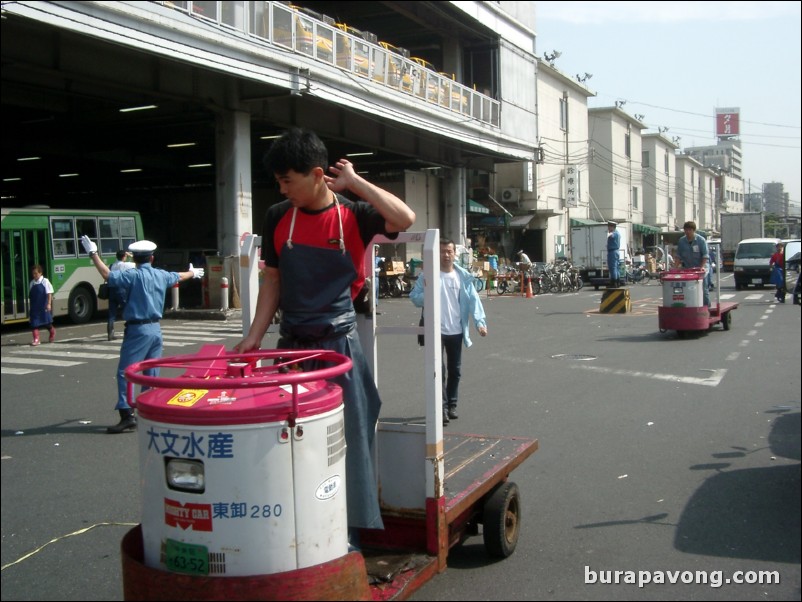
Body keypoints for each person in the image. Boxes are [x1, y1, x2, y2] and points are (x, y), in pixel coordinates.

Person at [232, 128, 415, 533]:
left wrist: (355, 182)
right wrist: (254, 338)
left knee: (346, 442)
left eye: (287, 180)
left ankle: (349, 534)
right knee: (288, 442)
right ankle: (294, 531)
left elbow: (404, 218)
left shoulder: (354, 214)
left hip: (338, 351)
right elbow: (273, 282)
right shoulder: (280, 216)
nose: (282, 189)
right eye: (278, 181)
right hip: (291, 349)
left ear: (317, 174)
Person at [80, 235, 204, 433]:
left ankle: (126, 414)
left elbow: (107, 275)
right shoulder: (161, 275)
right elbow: (179, 276)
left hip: (137, 329)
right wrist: (193, 272)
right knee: (151, 372)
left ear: (134, 259)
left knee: (125, 372)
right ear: (152, 258)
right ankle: (149, 410)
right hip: (156, 329)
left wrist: (93, 253)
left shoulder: (132, 276)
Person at [410, 239, 488, 426]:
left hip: (456, 330)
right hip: (435, 330)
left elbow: (473, 300)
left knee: (455, 370)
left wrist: (480, 323)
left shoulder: (462, 276)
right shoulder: (428, 275)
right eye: (443, 251)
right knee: (439, 371)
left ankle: (452, 404)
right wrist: (428, 294)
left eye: (449, 251)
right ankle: (442, 408)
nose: (446, 255)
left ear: (455, 254)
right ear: (437, 254)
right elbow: (414, 297)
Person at [675, 220, 709, 306]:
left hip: (701, 268)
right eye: (686, 230)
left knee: (703, 289)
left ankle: (706, 308)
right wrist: (675, 267)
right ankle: (690, 307)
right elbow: (678, 256)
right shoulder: (682, 241)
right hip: (688, 269)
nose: (687, 232)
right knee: (687, 289)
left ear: (694, 230)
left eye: (690, 230)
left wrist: (701, 267)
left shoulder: (701, 240)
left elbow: (705, 256)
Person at [107, 250, 135, 340]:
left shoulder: (111, 265)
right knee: (127, 309)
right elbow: (136, 264)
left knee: (112, 312)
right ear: (124, 257)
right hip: (122, 290)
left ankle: (110, 333)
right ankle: (130, 330)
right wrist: (130, 255)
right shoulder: (126, 265)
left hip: (111, 290)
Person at [28, 264, 56, 346]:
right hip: (35, 307)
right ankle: (36, 339)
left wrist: (49, 304)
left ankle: (52, 332)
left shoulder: (45, 281)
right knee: (34, 324)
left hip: (43, 306)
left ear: (40, 273)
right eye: (33, 274)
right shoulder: (32, 283)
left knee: (46, 323)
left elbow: (49, 293)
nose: (34, 275)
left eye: (36, 273)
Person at [606, 221, 621, 287]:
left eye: (609, 227)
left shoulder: (614, 233)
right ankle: (617, 282)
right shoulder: (618, 233)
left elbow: (611, 235)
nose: (608, 228)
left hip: (612, 252)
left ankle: (614, 282)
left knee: (613, 267)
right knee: (616, 267)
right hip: (616, 251)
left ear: (612, 227)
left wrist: (607, 234)